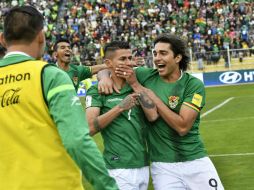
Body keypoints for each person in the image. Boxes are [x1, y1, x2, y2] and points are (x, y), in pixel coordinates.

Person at [0, 5, 118, 190]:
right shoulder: (50, 75)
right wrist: (108, 186)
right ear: (41, 37)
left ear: (2, 39)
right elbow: (77, 140)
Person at [98, 34, 224, 190]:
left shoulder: (193, 85)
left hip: (195, 161)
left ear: (177, 58)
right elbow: (110, 67)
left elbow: (182, 127)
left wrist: (148, 94)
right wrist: (103, 77)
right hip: (163, 167)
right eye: (155, 53)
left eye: (163, 53)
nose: (157, 58)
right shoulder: (146, 76)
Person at [85, 41, 158, 190]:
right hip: (117, 167)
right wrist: (119, 108)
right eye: (123, 59)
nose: (129, 63)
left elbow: (152, 116)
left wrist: (135, 84)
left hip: (143, 165)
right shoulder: (97, 91)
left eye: (130, 58)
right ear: (108, 63)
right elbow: (89, 128)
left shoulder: (138, 82)